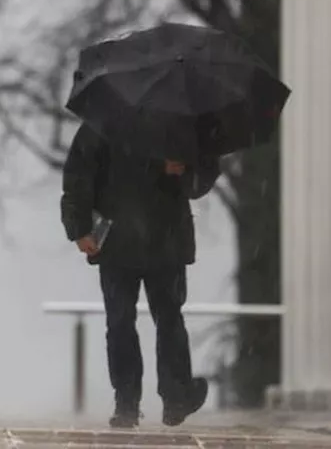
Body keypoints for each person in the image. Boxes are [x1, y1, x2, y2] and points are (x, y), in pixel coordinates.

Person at [60, 123, 220, 428]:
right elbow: (78, 176)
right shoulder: (179, 121)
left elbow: (77, 177)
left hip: (139, 238)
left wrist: (79, 228)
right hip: (151, 238)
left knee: (130, 319)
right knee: (155, 317)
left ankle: (136, 402)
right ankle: (166, 397)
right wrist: (182, 170)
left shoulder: (102, 119)